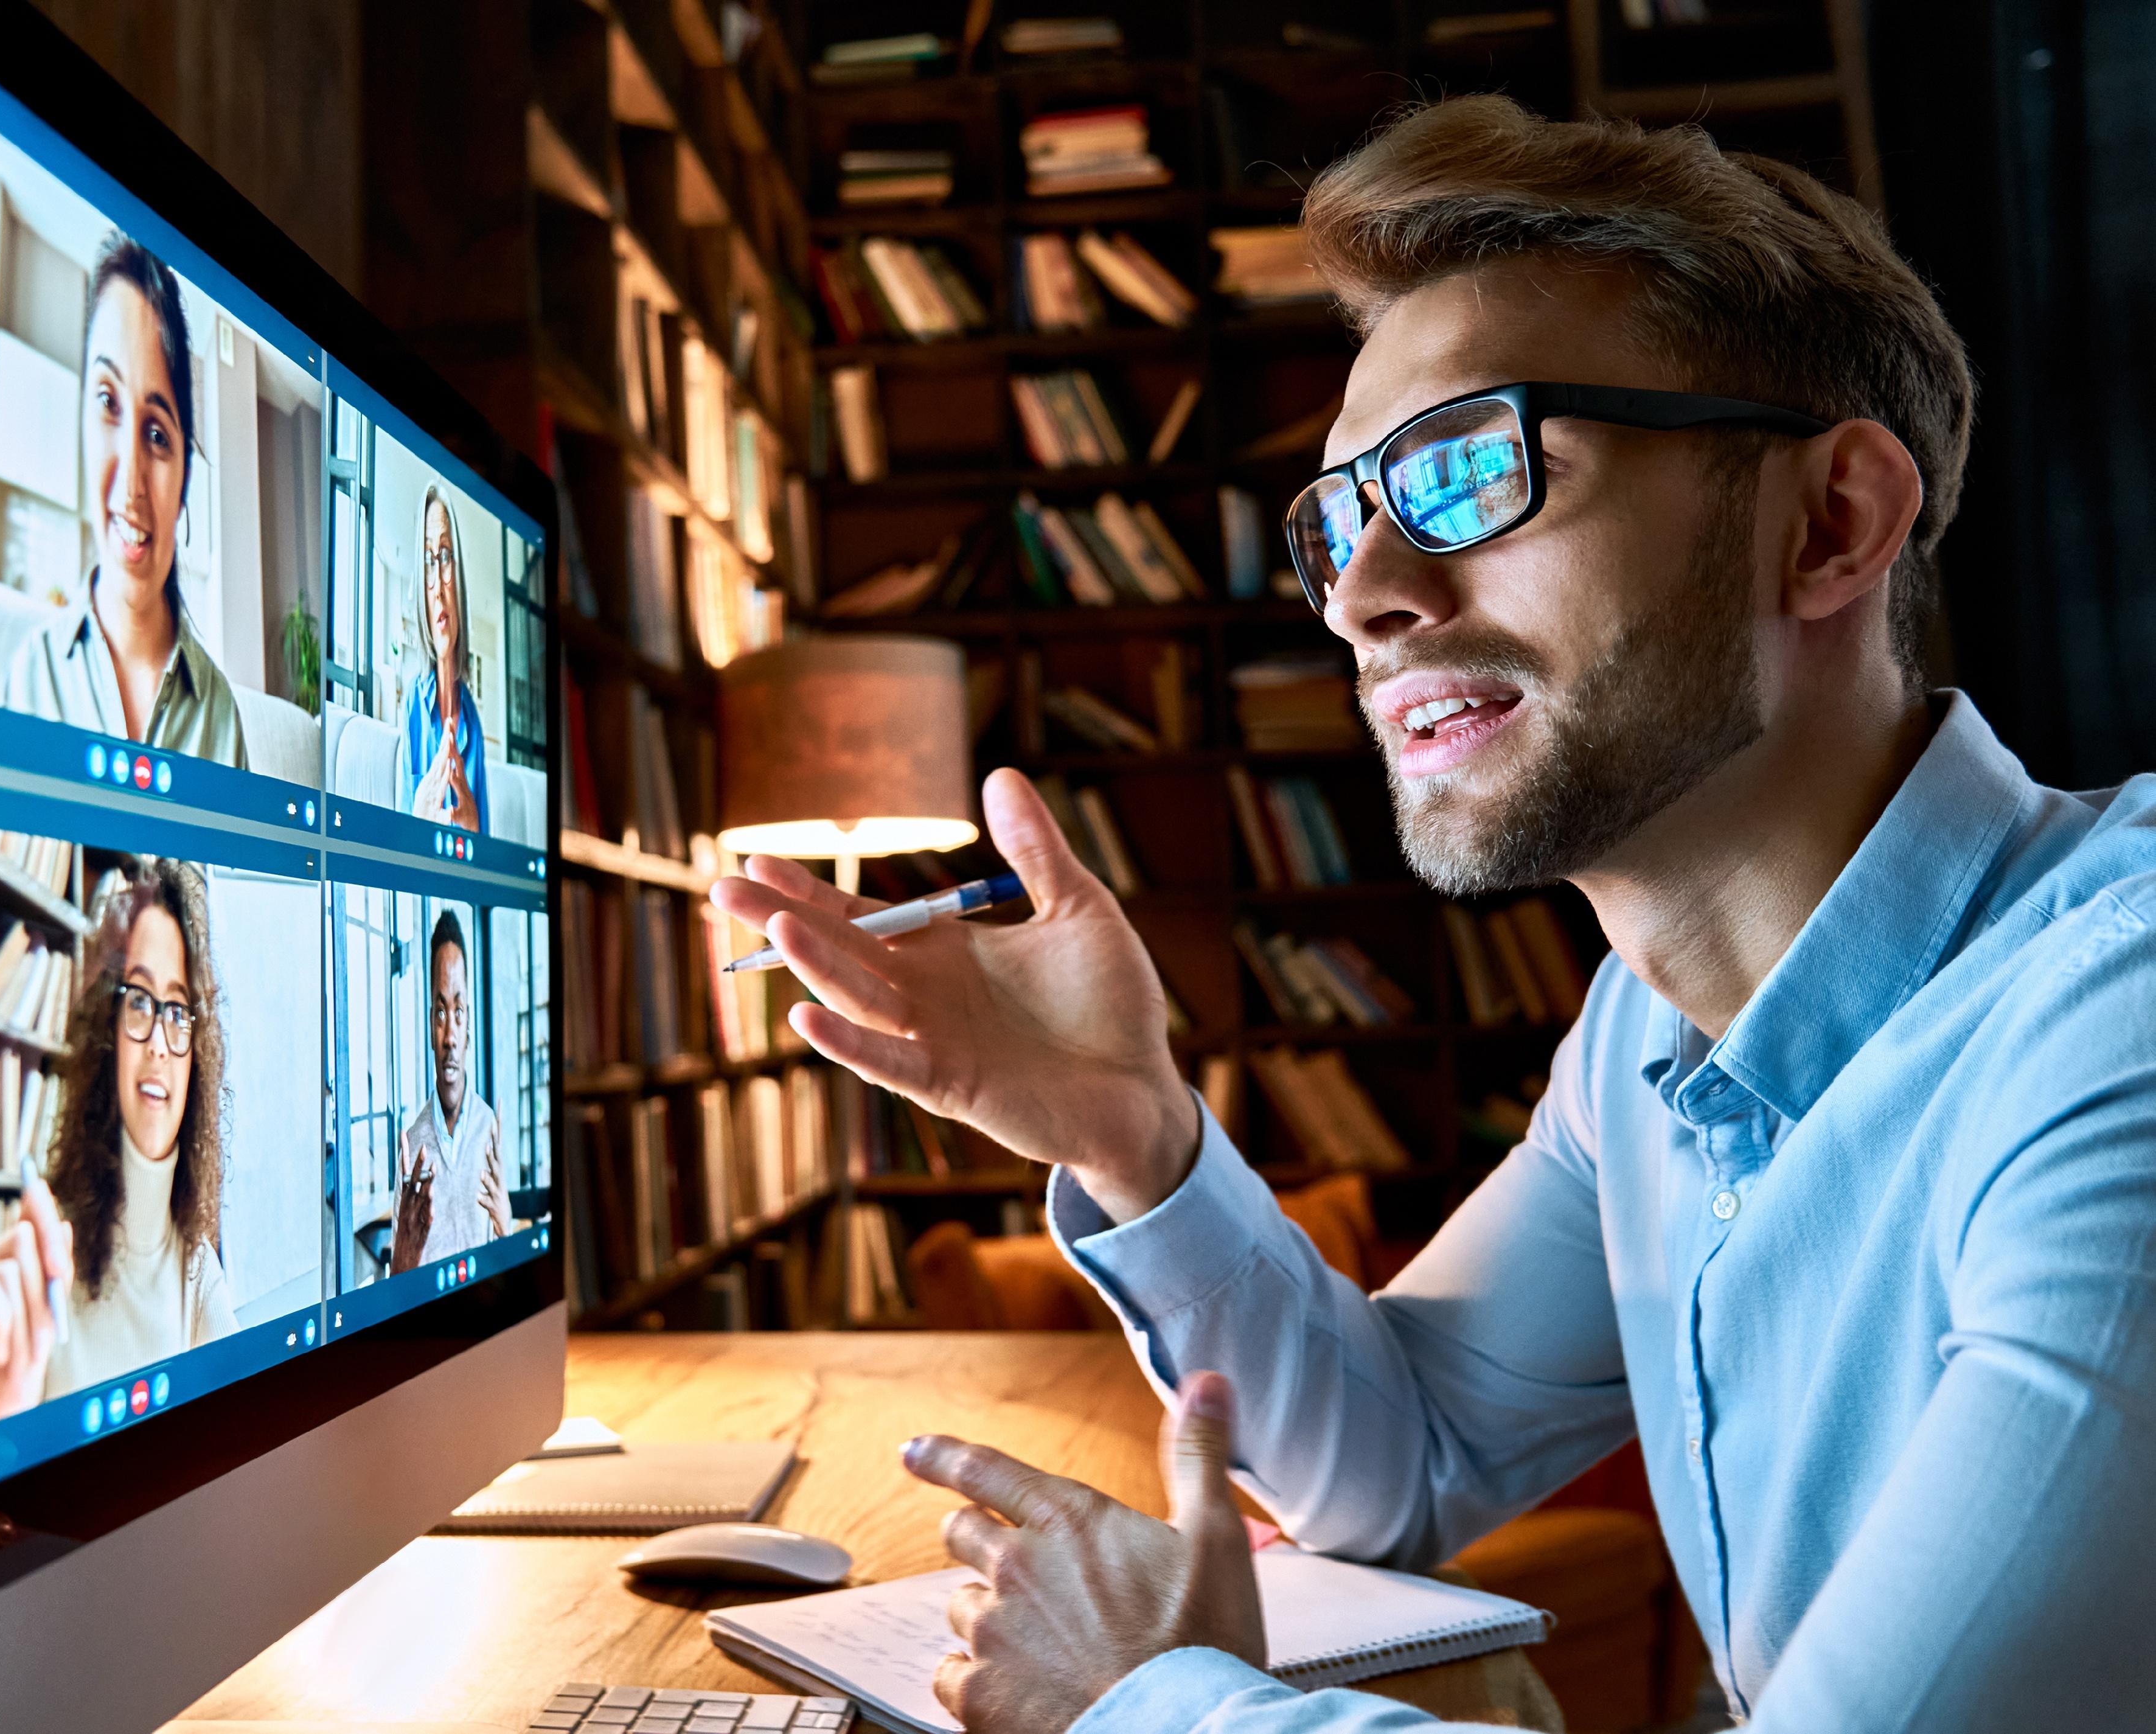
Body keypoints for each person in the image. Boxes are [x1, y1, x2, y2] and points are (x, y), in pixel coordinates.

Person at [712, 96, 2156, 1733]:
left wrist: (1144, 1707)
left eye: (1473, 470)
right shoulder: (1646, 1040)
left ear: (1828, 523)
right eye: (1335, 517)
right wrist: (1136, 1136)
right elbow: (1400, 1461)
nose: (1362, 593)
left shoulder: (2118, 1024)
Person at [0, 860, 237, 1438]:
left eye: (178, 1009)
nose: (161, 1045)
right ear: (107, 1029)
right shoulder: (42, 1249)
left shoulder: (198, 1274)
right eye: (139, 1001)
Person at [0, 232, 249, 770]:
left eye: (158, 434)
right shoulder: (31, 676)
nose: (131, 483)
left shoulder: (220, 718)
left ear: (185, 480)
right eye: (109, 402)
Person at [389, 908, 509, 1273]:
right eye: (440, 1013)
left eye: (459, 1012)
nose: (450, 1037)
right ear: (430, 1028)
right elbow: (398, 1281)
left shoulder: (490, 1127)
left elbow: (510, 1271)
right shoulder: (413, 1146)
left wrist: (507, 1226)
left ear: (470, 1025)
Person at [403, 481, 489, 832]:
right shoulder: (412, 703)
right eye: (427, 561)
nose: (438, 585)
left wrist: (474, 829)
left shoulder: (473, 721)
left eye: (445, 556)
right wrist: (418, 818)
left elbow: (486, 853)